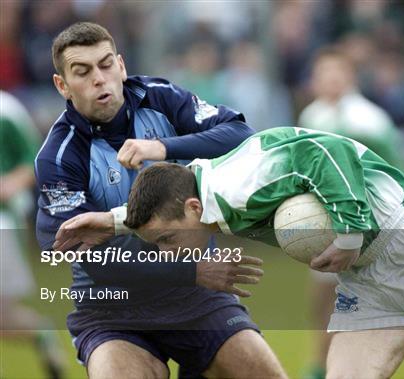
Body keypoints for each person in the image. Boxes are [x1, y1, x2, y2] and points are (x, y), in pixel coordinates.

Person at [117, 126, 404, 378]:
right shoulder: (199, 193)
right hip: (371, 279)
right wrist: (113, 221)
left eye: (168, 242)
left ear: (194, 208)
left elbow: (324, 151)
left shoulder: (236, 185)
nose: (169, 254)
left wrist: (350, 234)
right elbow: (159, 213)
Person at [35, 22, 286, 378]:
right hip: (114, 309)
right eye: (83, 71)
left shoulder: (160, 98)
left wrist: (164, 147)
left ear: (121, 66)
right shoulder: (59, 157)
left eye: (106, 65)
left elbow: (240, 135)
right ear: (63, 85)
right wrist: (192, 270)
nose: (99, 79)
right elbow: (90, 258)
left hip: (198, 299)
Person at [298, 47, 404, 379]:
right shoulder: (313, 116)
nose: (329, 80)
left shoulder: (369, 120)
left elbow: (401, 169)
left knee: (341, 297)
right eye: (323, 73)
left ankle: (320, 369)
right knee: (332, 297)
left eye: (336, 73)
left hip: (366, 222)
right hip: (328, 220)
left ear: (349, 78)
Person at [1, 90, 66, 378]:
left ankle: (41, 333)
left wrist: (8, 186)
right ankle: (41, 334)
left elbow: (33, 160)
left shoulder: (7, 109)